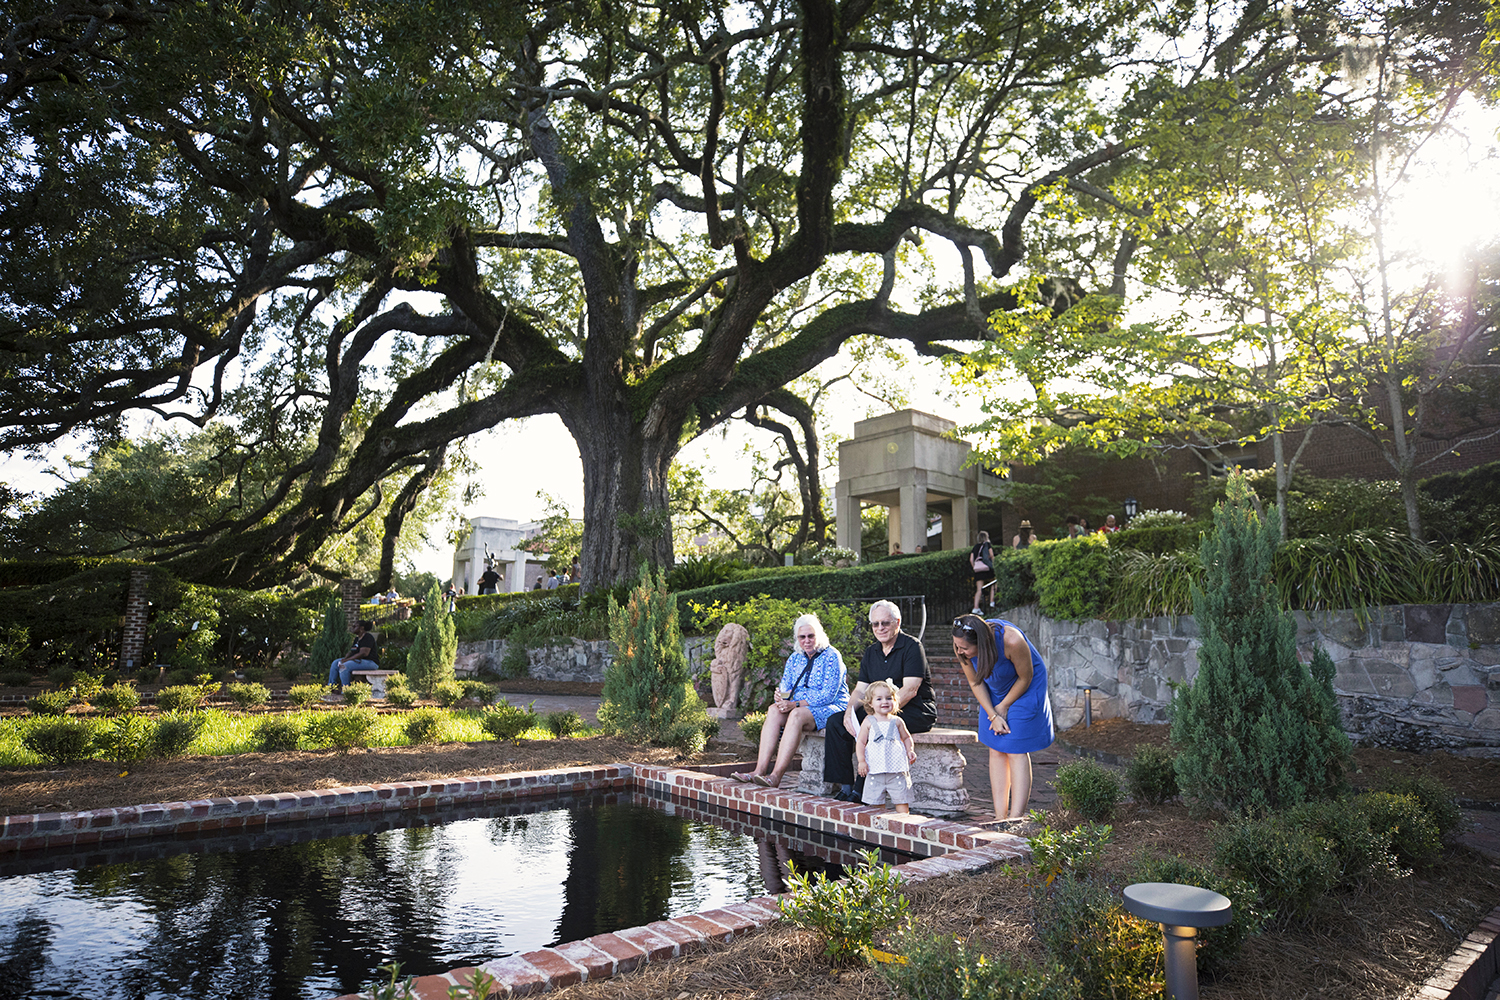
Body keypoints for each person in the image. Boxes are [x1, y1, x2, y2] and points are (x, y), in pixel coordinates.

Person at [824, 599, 936, 801]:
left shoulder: (912, 646)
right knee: (835, 722)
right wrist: (849, 711)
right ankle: (846, 786)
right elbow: (860, 690)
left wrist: (879, 715)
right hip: (878, 708)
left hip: (914, 709)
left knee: (875, 727)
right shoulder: (871, 652)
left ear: (897, 622)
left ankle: (861, 790)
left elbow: (910, 689)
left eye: (885, 623)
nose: (880, 628)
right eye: (875, 624)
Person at [951, 613, 1054, 819]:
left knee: (1015, 748)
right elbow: (975, 682)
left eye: (965, 648)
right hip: (994, 686)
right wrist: (992, 714)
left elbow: (1026, 677)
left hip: (1024, 685)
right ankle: (1000, 817)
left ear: (981, 642)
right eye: (957, 647)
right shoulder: (961, 643)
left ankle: (1016, 818)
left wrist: (1004, 707)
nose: (959, 652)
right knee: (996, 747)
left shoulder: (1012, 640)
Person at [733, 614, 849, 788]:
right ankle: (759, 771)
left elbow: (828, 695)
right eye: (802, 637)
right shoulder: (795, 658)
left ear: (819, 635)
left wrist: (794, 704)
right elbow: (786, 686)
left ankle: (776, 776)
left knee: (795, 714)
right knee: (773, 710)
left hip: (832, 707)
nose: (807, 640)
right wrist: (781, 698)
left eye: (811, 636)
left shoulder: (832, 656)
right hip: (801, 708)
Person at [856, 679, 917, 813]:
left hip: (896, 770)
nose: (885, 702)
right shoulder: (868, 721)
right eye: (879, 699)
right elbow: (860, 742)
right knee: (875, 803)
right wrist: (861, 761)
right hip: (875, 770)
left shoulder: (897, 721)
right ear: (870, 703)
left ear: (895, 701)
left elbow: (906, 737)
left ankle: (903, 825)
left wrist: (910, 750)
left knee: (901, 800)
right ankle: (879, 827)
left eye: (889, 698)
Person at [327, 620, 379, 690]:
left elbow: (363, 653)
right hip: (358, 661)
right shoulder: (357, 639)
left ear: (361, 628)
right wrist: (345, 658)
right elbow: (352, 651)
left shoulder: (368, 637)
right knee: (335, 663)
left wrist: (347, 660)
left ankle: (346, 690)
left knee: (344, 667)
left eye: (355, 626)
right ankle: (331, 687)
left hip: (370, 662)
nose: (352, 628)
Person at [969, 530, 996, 614]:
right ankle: (992, 601)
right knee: (993, 583)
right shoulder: (987, 545)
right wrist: (994, 564)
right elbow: (991, 555)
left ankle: (975, 608)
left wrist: (975, 567)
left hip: (978, 570)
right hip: (987, 568)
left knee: (979, 589)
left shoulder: (975, 547)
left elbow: (971, 559)